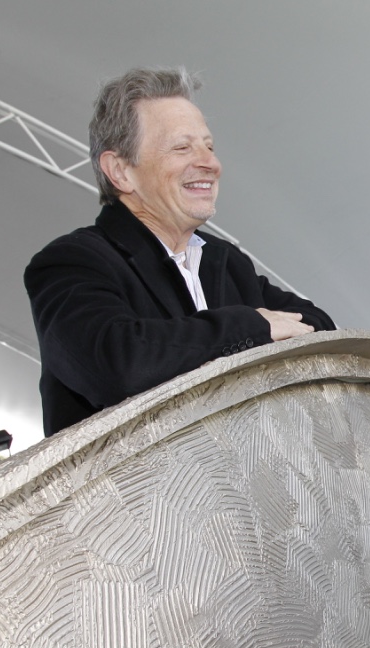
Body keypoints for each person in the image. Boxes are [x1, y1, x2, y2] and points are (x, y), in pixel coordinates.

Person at [25, 68, 335, 436]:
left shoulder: (224, 261)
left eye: (209, 147)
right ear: (120, 171)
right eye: (182, 148)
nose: (210, 164)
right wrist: (252, 327)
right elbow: (120, 366)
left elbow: (319, 326)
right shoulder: (71, 263)